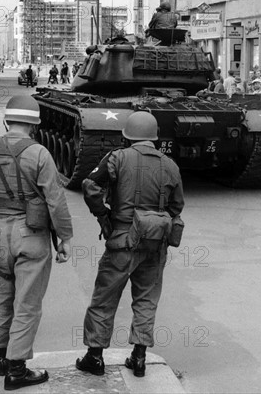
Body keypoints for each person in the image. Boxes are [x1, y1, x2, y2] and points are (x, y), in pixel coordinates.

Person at [76, 111, 184, 378]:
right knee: (146, 299)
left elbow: (90, 185)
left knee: (104, 298)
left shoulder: (117, 158)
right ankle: (139, 357)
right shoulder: (170, 165)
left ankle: (95, 357)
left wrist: (103, 215)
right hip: (155, 244)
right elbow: (176, 206)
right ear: (154, 137)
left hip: (122, 240)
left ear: (128, 136)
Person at [0, 95, 73, 390]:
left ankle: (3, 358)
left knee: (2, 299)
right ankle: (17, 370)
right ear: (34, 124)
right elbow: (55, 201)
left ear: (7, 120)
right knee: (27, 304)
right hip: (30, 235)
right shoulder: (40, 153)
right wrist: (65, 237)